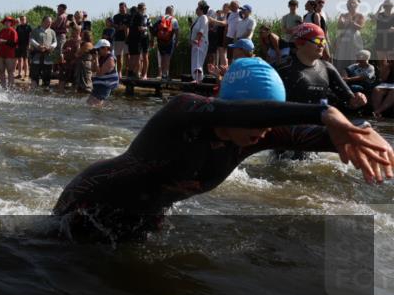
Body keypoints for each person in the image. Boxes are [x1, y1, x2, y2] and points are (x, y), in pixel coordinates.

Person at [53, 57, 393, 242]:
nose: (262, 133)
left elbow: (328, 137)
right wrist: (323, 111)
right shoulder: (184, 112)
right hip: (84, 206)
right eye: (256, 120)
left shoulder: (256, 136)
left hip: (142, 219)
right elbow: (241, 112)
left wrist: (361, 134)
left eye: (267, 123)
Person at [276, 22, 367, 110]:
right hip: (291, 123)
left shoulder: (327, 68)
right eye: (317, 40)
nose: (321, 45)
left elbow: (349, 101)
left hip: (318, 123)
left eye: (323, 41)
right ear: (299, 43)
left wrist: (358, 98)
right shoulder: (282, 68)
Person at [335, 0, 366, 73]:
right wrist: (341, 22)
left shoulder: (360, 15)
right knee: (342, 56)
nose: (349, 5)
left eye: (352, 4)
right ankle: (341, 75)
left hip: (355, 38)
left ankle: (354, 74)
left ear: (356, 5)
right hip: (344, 38)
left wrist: (351, 21)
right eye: (348, 4)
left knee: (354, 56)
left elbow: (360, 27)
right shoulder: (343, 15)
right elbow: (339, 27)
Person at [88, 39, 120, 107]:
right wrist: (94, 59)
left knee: (95, 105)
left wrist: (96, 59)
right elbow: (93, 69)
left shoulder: (110, 59)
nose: (98, 51)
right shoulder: (101, 57)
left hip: (106, 84)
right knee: (89, 102)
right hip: (99, 83)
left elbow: (100, 73)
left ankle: (102, 114)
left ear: (106, 48)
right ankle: (107, 106)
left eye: (98, 49)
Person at [28, 16, 57, 88]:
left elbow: (55, 42)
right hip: (37, 56)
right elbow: (31, 39)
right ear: (43, 22)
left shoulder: (52, 32)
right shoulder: (36, 30)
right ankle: (34, 93)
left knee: (47, 78)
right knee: (34, 77)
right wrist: (38, 46)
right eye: (48, 22)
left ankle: (45, 93)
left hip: (48, 57)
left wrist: (51, 47)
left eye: (50, 22)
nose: (49, 23)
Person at [154, 6, 178, 80]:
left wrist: (153, 39)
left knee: (162, 56)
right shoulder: (174, 20)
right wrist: (176, 41)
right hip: (169, 41)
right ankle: (165, 74)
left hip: (160, 40)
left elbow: (154, 29)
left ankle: (162, 74)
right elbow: (177, 32)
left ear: (165, 11)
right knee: (167, 57)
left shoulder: (159, 18)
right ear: (171, 12)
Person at [190, 1, 210, 83]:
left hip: (200, 42)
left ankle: (198, 79)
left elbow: (202, 30)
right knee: (195, 60)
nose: (196, 9)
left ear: (201, 10)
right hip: (196, 42)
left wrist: (197, 39)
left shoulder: (203, 17)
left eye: (197, 8)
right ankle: (197, 79)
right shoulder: (198, 18)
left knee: (198, 60)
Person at [0, 16, 19, 88]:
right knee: (1, 71)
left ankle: (10, 87)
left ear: (11, 23)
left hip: (9, 54)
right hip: (0, 53)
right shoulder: (2, 31)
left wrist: (4, 41)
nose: (7, 23)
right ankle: (3, 87)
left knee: (10, 71)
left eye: (8, 21)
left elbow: (14, 43)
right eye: (6, 21)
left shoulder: (13, 31)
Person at [111, 2, 131, 75]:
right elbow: (114, 26)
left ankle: (127, 72)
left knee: (127, 56)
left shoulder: (129, 16)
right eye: (120, 8)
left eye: (122, 7)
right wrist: (120, 27)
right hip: (118, 39)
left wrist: (123, 27)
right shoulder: (116, 17)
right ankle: (119, 73)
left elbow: (128, 27)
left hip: (127, 39)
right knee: (118, 56)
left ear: (126, 7)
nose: (121, 9)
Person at [15, 15, 32, 81]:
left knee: (25, 60)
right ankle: (19, 74)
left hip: (26, 45)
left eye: (24, 19)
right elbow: (16, 36)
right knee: (19, 60)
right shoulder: (18, 27)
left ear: (26, 20)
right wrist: (16, 44)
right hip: (19, 45)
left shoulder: (29, 27)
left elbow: (30, 36)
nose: (22, 20)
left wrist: (29, 44)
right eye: (21, 19)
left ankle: (26, 74)